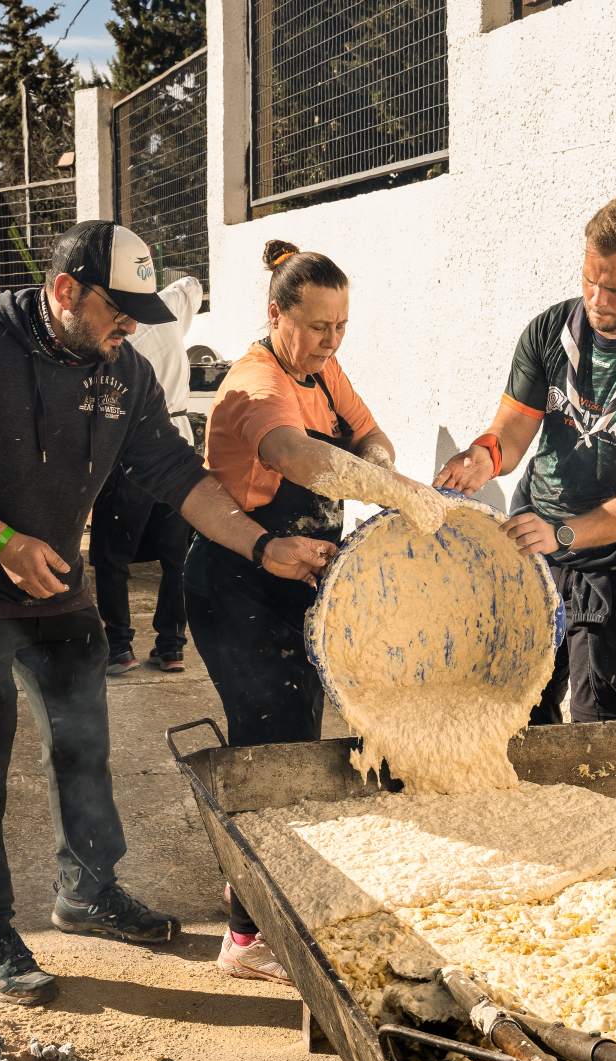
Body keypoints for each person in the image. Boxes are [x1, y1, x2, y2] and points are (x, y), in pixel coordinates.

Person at [0, 221, 334, 1007]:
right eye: (117, 310)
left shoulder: (122, 370)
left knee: (83, 744)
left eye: (137, 313)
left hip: (56, 582)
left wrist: (263, 547)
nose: (129, 327)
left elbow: (179, 477)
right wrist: (4, 541)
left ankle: (87, 891)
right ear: (65, 290)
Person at [187, 239, 447, 987]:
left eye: (341, 327)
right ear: (277, 315)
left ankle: (267, 906)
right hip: (240, 583)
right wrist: (395, 492)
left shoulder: (321, 370)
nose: (332, 341)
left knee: (295, 742)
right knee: (270, 754)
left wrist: (381, 463)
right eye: (317, 326)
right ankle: (245, 936)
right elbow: (297, 457)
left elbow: (368, 434)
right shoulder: (255, 383)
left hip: (300, 583)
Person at [437, 196, 616, 724]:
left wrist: (561, 534)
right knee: (518, 707)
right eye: (588, 280)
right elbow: (512, 430)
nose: (596, 299)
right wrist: (483, 458)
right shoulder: (550, 331)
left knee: (601, 727)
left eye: (615, 289)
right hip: (539, 535)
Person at [90, 272, 203, 675]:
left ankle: (119, 647)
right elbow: (191, 286)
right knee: (176, 557)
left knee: (112, 556)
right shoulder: (169, 307)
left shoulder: (110, 330)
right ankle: (172, 646)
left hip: (130, 448)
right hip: (178, 442)